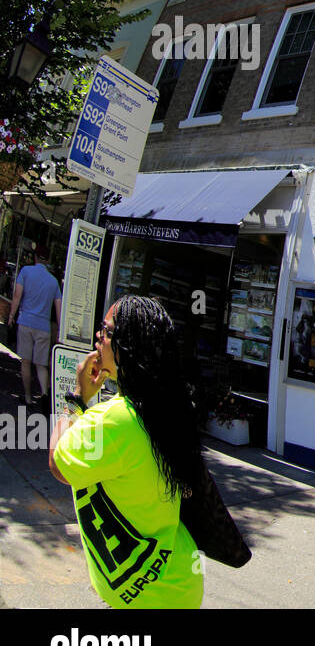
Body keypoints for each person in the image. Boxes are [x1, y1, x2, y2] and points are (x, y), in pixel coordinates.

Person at [48, 295, 204, 608]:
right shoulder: (168, 405)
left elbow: (57, 464)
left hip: (147, 598)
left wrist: (77, 399)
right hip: (179, 581)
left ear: (124, 348)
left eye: (105, 332)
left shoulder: (112, 420)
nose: (97, 337)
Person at [7, 244, 61, 408]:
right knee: (41, 365)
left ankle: (29, 397)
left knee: (26, 362)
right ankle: (44, 395)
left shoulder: (26, 272)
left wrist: (11, 315)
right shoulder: (54, 282)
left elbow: (17, 295)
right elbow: (59, 307)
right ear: (48, 261)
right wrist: (59, 330)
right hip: (43, 327)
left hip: (26, 322)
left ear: (35, 257)